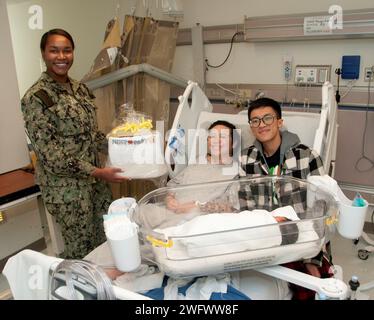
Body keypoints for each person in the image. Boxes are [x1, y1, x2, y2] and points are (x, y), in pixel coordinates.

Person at [21, 29, 128, 259]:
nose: (61, 56)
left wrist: (126, 145)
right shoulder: (36, 98)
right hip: (68, 192)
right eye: (54, 51)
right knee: (82, 254)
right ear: (43, 54)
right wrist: (99, 171)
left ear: (73, 53)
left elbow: (92, 135)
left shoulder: (80, 89)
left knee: (108, 242)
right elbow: (52, 156)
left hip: (96, 186)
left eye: (67, 50)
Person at [241, 97, 333, 299]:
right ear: (251, 127)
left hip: (302, 238)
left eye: (267, 118)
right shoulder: (247, 159)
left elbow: (321, 209)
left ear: (279, 122)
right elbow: (244, 207)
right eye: (255, 121)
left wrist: (313, 256)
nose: (261, 125)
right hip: (265, 237)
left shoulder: (307, 156)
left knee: (313, 284)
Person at [166, 120, 242, 214]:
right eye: (212, 136)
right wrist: (169, 199)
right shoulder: (198, 161)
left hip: (202, 220)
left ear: (234, 143)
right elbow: (173, 185)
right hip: (171, 213)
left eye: (222, 137)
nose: (215, 141)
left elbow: (232, 206)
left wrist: (198, 207)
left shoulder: (235, 172)